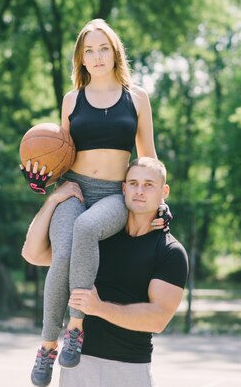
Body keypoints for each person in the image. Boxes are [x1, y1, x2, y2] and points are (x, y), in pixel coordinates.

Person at [20, 19, 168, 387]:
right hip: (75, 189)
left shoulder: (137, 97)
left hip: (113, 195)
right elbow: (61, 155)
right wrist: (41, 181)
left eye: (104, 48)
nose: (97, 55)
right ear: (81, 58)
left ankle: (75, 327)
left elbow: (148, 156)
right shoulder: (72, 99)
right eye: (89, 50)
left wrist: (159, 203)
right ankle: (47, 344)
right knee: (64, 251)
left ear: (115, 52)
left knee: (86, 228)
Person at [22, 157, 188, 387]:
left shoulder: (170, 251)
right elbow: (33, 254)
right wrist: (53, 200)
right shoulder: (96, 236)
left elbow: (157, 319)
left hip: (130, 368)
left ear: (164, 191)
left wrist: (98, 308)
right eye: (133, 183)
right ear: (123, 187)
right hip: (77, 364)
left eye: (148, 184)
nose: (139, 191)